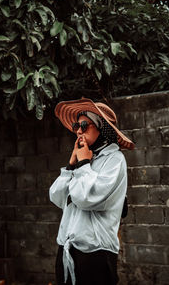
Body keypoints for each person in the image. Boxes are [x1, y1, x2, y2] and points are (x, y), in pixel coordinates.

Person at [49, 98, 134, 285]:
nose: (78, 131)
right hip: (66, 248)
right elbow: (56, 197)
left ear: (102, 127)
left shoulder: (115, 160)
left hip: (96, 253)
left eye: (85, 125)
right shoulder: (84, 157)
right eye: (76, 126)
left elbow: (85, 198)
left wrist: (83, 164)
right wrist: (71, 166)